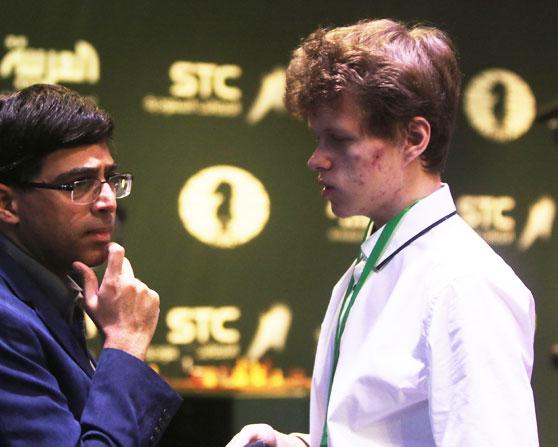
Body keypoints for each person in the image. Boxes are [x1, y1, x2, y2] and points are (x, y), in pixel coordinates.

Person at [227, 19, 538, 447]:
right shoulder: (381, 261)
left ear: (413, 137)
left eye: (338, 139)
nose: (317, 159)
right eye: (319, 138)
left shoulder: (463, 283)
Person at [0, 84, 182, 446]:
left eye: (110, 179)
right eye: (79, 184)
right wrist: (126, 344)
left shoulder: (29, 288)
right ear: (7, 204)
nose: (108, 201)